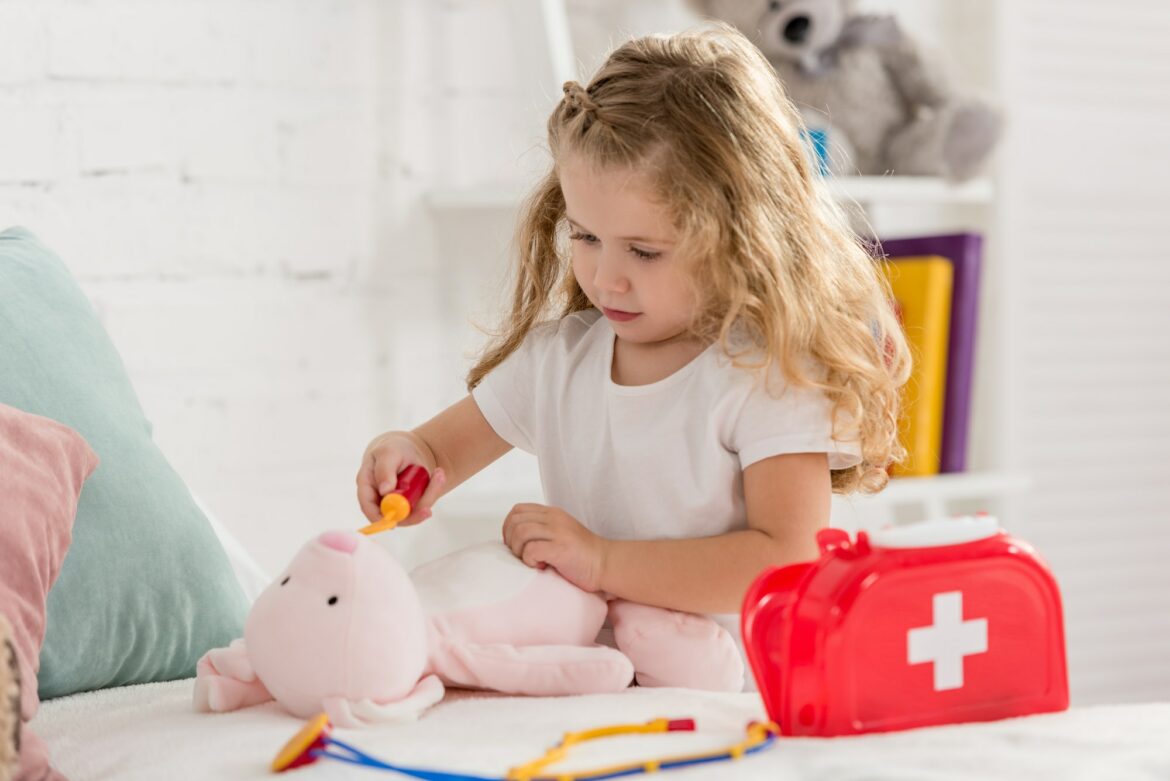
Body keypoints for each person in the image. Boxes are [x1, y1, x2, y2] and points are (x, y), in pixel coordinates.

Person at [356, 23, 909, 683]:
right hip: (604, 685)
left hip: (740, 697)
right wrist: (406, 461)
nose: (606, 278)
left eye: (644, 251)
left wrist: (604, 561)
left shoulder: (769, 377)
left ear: (741, 237)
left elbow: (786, 557)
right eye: (585, 236)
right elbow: (440, 451)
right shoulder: (558, 361)